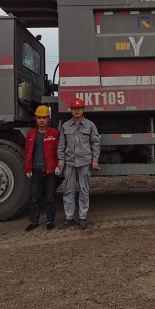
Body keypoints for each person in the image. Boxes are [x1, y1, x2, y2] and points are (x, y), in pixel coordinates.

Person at [57, 97, 100, 230]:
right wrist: (61, 160)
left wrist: (95, 160)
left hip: (85, 163)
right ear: (71, 110)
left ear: (83, 110)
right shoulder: (65, 126)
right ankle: (69, 218)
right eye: (74, 109)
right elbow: (61, 145)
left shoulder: (90, 125)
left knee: (84, 190)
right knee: (68, 191)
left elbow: (95, 143)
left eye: (79, 108)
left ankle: (82, 217)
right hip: (69, 163)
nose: (77, 111)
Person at [23, 105, 60, 231]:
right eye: (39, 118)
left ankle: (50, 221)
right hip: (36, 170)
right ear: (36, 119)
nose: (41, 120)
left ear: (48, 118)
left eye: (44, 117)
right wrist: (28, 169)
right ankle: (34, 221)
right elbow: (28, 152)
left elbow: (58, 151)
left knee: (51, 197)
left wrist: (58, 165)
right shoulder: (31, 134)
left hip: (50, 170)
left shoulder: (54, 133)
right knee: (35, 197)